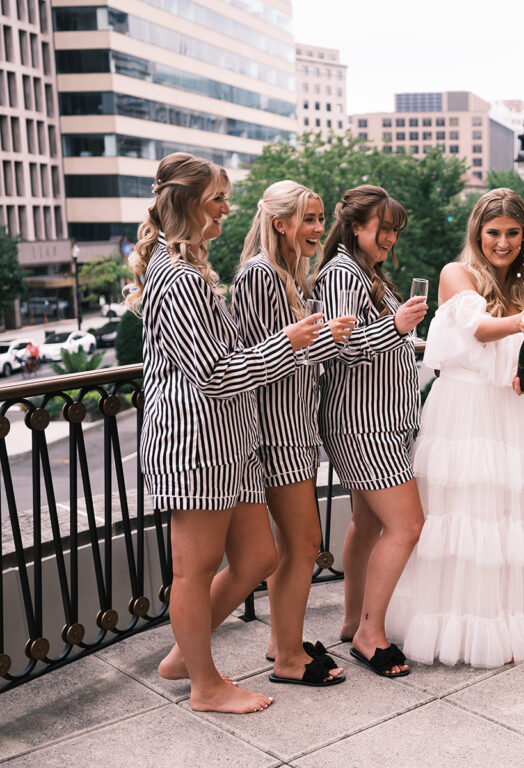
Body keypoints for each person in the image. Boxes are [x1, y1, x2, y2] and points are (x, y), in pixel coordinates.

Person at [127, 153, 324, 714]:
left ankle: (179, 657)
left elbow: (225, 358)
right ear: (188, 203)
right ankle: (205, 685)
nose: (226, 208)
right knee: (193, 571)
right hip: (195, 444)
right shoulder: (180, 277)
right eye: (217, 198)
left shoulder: (188, 270)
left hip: (231, 443)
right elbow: (213, 375)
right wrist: (289, 343)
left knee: (260, 556)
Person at [386, 188, 524, 667]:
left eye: (513, 233)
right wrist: (523, 322)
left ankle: (507, 622)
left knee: (509, 518)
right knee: (462, 516)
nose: (503, 243)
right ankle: (452, 627)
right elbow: (479, 330)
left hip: (510, 412)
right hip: (464, 411)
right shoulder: (455, 273)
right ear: (478, 232)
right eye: (494, 233)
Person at [233, 180, 355, 687]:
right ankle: (287, 658)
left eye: (321, 218)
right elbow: (263, 362)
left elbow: (299, 358)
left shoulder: (289, 276)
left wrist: (331, 339)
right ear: (279, 222)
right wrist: (318, 339)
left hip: (296, 428)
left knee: (294, 546)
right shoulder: (260, 276)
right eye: (308, 218)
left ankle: (281, 642)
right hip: (276, 432)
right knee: (304, 545)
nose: (318, 228)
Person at [315, 185, 427, 678]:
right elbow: (339, 345)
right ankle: (369, 633)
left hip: (381, 418)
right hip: (366, 424)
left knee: (367, 524)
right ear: (355, 226)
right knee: (407, 526)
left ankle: (350, 620)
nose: (389, 237)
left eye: (393, 230)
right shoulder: (342, 274)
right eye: (382, 228)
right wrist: (398, 327)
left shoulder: (366, 273)